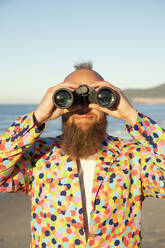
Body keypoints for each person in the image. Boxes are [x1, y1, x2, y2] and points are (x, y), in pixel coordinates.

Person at [0, 62, 165, 248]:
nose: (83, 106)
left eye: (97, 96)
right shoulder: (40, 156)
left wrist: (131, 115)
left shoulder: (132, 158)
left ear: (110, 101)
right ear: (57, 100)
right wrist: (38, 117)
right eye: (73, 97)